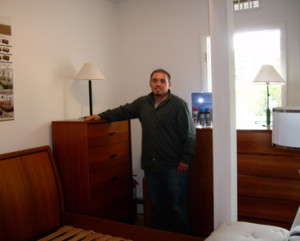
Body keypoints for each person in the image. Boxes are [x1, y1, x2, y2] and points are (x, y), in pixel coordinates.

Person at [85, 69, 196, 234]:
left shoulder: (179, 105)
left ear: (169, 84)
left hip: (174, 166)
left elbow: (189, 134)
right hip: (151, 166)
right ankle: (156, 237)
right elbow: (123, 111)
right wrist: (100, 115)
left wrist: (185, 160)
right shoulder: (143, 103)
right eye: (155, 80)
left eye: (162, 81)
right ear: (150, 83)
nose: (158, 84)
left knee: (177, 206)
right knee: (156, 205)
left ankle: (181, 238)